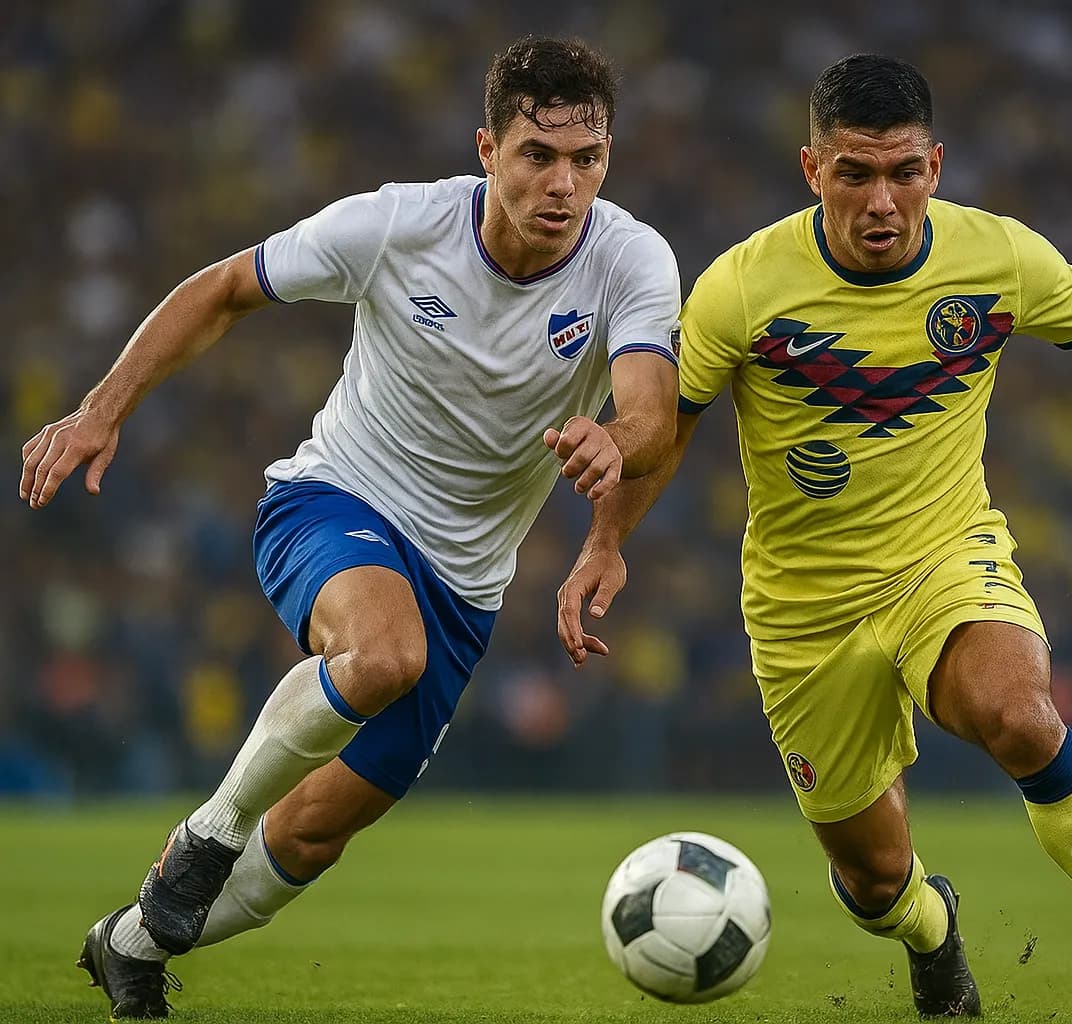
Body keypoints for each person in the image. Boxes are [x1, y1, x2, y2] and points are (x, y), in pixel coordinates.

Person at [558, 55, 1072, 1022]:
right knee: (875, 883)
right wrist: (604, 542)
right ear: (811, 169)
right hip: (802, 612)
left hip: (943, 562)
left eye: (904, 172)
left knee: (1021, 714)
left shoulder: (998, 258)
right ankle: (932, 929)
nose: (882, 200)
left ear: (938, 166)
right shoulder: (741, 288)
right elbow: (671, 426)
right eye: (855, 174)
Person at [21, 36, 682, 1020]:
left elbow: (654, 414)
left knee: (308, 840)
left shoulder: (632, 259)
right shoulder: (396, 225)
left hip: (467, 583)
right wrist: (103, 405)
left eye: (585, 159)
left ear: (608, 161)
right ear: (487, 150)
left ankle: (131, 939)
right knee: (382, 653)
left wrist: (611, 450)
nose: (562, 182)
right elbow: (223, 288)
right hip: (335, 500)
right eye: (537, 155)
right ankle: (208, 832)